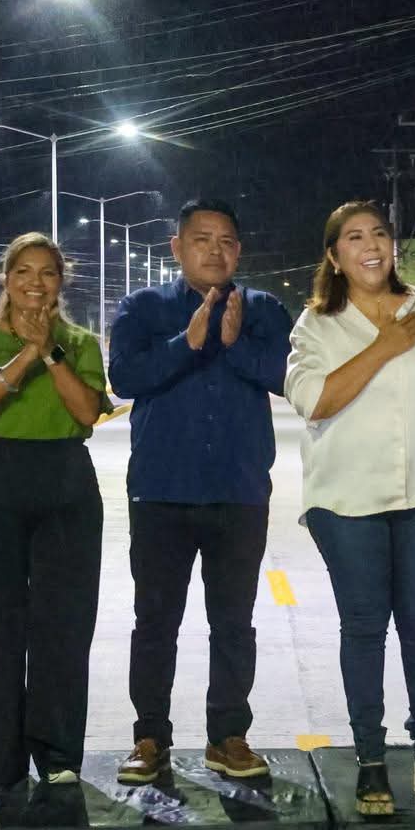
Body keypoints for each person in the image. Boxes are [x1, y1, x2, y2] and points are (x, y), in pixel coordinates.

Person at [285, 201, 415, 816]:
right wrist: (386, 344)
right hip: (346, 504)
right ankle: (371, 757)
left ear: (393, 245)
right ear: (334, 255)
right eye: (353, 237)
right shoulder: (316, 326)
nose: (370, 245)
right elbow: (315, 400)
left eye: (379, 234)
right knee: (365, 630)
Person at [108, 199, 292, 785]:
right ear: (177, 247)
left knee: (234, 622)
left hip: (238, 493)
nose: (216, 250)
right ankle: (148, 737)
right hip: (162, 492)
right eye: (202, 238)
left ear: (240, 250)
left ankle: (229, 736)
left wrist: (234, 344)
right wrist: (186, 343)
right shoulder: (144, 307)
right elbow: (125, 378)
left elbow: (290, 377)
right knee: (155, 621)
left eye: (227, 241)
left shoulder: (262, 309)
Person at [0, 232, 108, 796]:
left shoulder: (80, 342)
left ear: (60, 282)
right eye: (24, 271)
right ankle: (0, 766)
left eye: (47, 273)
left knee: (63, 628)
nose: (35, 283)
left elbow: (87, 412)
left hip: (65, 483)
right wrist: (24, 353)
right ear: (6, 278)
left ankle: (59, 756)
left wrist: (49, 351)